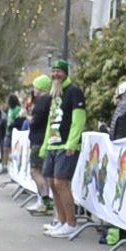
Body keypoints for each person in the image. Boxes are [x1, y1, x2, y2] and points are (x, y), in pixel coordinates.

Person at [40, 56, 87, 237]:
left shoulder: (74, 91)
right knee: (52, 183)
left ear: (65, 73)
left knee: (61, 182)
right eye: (53, 71)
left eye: (58, 71)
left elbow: (79, 119)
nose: (55, 74)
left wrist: (72, 142)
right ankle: (61, 221)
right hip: (53, 144)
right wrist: (45, 145)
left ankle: (71, 223)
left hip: (67, 144)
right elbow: (50, 122)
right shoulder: (54, 94)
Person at [23, 72, 55, 213]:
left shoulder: (42, 101)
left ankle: (44, 200)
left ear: (41, 88)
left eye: (35, 87)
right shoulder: (50, 100)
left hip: (38, 140)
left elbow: (35, 122)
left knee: (35, 171)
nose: (33, 90)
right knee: (42, 172)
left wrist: (27, 117)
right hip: (44, 140)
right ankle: (44, 200)